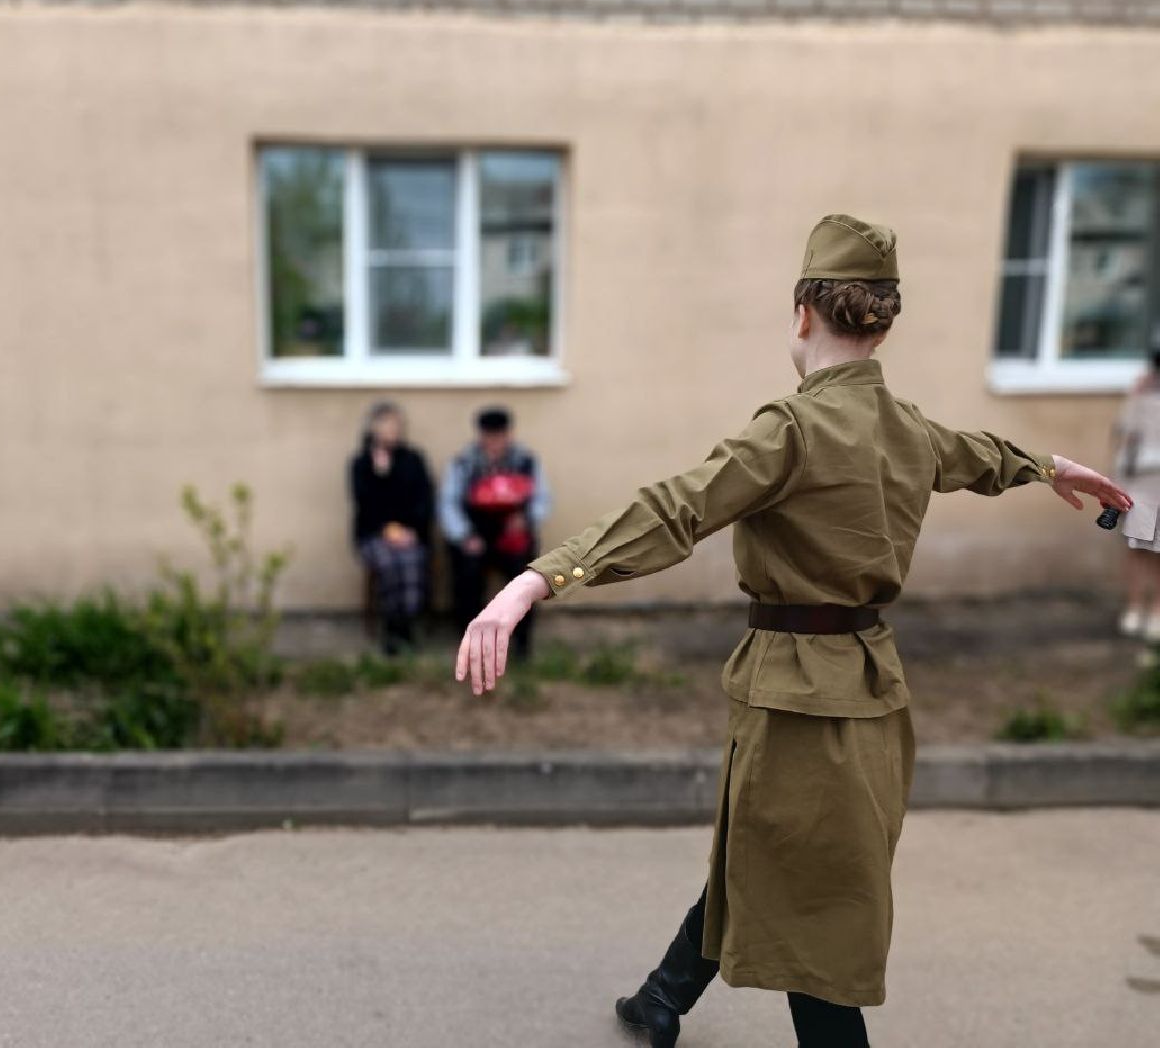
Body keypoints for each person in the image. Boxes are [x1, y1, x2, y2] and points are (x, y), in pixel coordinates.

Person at [453, 214, 1132, 1047]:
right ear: (883, 323)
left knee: (811, 911)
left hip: (797, 697)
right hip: (873, 690)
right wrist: (1051, 466)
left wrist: (533, 579)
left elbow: (676, 507)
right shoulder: (908, 427)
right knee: (771, 854)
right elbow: (978, 453)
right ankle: (662, 998)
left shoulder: (793, 428)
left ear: (804, 311)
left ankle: (682, 1003)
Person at [439, 405, 552, 662]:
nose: (494, 442)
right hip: (474, 535)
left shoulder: (525, 460)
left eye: (499, 436)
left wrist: (526, 519)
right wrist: (465, 535)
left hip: (514, 535)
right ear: (480, 436)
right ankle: (471, 644)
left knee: (527, 579)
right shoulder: (464, 462)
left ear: (508, 435)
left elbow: (543, 500)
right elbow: (448, 504)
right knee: (467, 576)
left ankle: (522, 645)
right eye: (489, 436)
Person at [349, 400, 434, 655]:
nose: (392, 431)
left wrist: (411, 531)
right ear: (373, 429)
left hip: (410, 534)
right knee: (388, 562)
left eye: (396, 425)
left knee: (411, 560)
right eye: (386, 425)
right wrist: (381, 476)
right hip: (373, 535)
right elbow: (365, 505)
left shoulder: (413, 460)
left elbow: (424, 499)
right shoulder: (361, 464)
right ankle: (390, 629)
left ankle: (405, 626)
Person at [1112, 346, 1160, 639]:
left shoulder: (1140, 395)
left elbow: (1123, 439)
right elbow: (1125, 438)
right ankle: (1146, 612)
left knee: (1141, 549)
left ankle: (1141, 610)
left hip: (1142, 482)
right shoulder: (1140, 396)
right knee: (1144, 549)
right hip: (1143, 482)